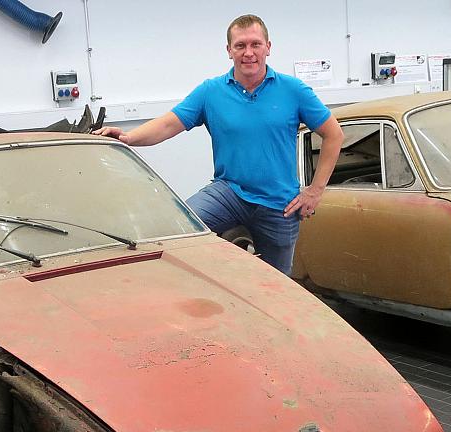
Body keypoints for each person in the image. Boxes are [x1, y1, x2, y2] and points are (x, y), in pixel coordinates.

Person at [93, 14, 343, 275]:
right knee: (181, 228)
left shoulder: (294, 90)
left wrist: (315, 190)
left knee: (278, 284)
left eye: (255, 44)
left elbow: (334, 135)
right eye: (240, 45)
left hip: (278, 202)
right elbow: (168, 124)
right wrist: (128, 138)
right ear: (229, 50)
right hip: (229, 192)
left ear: (268, 47)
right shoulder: (211, 91)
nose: (248, 53)